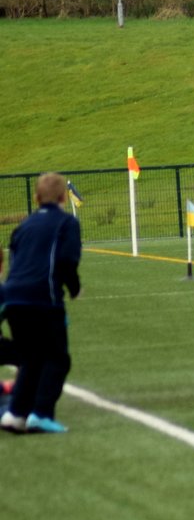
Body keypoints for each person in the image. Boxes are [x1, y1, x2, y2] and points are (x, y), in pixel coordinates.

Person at [1, 173, 82, 434]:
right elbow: (67, 260)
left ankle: (15, 414)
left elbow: (15, 259)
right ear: (62, 197)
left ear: (36, 198)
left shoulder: (24, 225)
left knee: (31, 359)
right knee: (57, 358)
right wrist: (74, 288)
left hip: (12, 297)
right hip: (43, 298)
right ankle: (41, 414)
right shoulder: (67, 222)